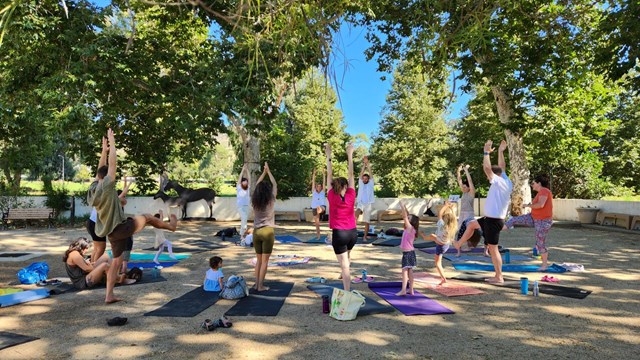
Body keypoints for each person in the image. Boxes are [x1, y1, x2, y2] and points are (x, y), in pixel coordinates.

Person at [88, 129, 177, 303]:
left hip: (111, 233)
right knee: (147, 217)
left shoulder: (93, 188)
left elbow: (102, 168)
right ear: (106, 179)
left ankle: (109, 295)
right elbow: (111, 166)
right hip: (121, 228)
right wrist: (113, 145)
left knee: (115, 262)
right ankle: (171, 226)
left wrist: (103, 152)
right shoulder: (106, 186)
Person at [455, 140, 512, 284]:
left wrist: (486, 152)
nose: (488, 178)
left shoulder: (499, 181)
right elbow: (502, 167)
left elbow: (487, 168)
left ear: (495, 175)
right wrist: (500, 151)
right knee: (471, 225)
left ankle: (499, 277)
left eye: (490, 177)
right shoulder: (505, 179)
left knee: (493, 249)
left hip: (494, 221)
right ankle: (458, 243)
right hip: (488, 219)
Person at [502, 174, 554, 270]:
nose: (532, 185)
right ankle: (500, 229)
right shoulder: (541, 192)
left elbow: (541, 205)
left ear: (539, 183)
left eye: (533, 183)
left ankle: (544, 265)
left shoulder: (544, 191)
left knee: (540, 243)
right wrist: (529, 205)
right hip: (534, 218)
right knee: (514, 219)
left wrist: (527, 205)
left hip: (543, 221)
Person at [325, 142, 357, 291]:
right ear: (346, 186)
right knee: (346, 259)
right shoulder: (351, 195)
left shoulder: (331, 195)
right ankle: (344, 276)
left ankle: (347, 292)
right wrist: (349, 154)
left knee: (345, 267)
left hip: (340, 234)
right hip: (352, 234)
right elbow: (351, 174)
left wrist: (328, 155)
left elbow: (329, 174)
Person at [251, 162, 277, 292]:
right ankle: (260, 286)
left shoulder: (254, 200)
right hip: (267, 232)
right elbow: (275, 184)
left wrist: (263, 173)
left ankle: (256, 284)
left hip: (256, 232)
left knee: (258, 261)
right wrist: (268, 172)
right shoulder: (271, 199)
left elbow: (256, 186)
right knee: (265, 262)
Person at [430, 202, 458, 285]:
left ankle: (444, 279)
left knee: (438, 263)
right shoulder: (453, 226)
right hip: (446, 244)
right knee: (433, 236)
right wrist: (451, 209)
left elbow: (439, 214)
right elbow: (454, 218)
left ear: (444, 219)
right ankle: (443, 278)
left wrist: (445, 206)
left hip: (441, 245)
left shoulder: (442, 225)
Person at [395, 201, 419, 296]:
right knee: (410, 271)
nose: (406, 219)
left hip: (408, 254)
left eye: (409, 219)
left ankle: (404, 290)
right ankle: (411, 290)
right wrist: (405, 206)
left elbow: (405, 216)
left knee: (404, 272)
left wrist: (401, 206)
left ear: (411, 221)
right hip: (410, 253)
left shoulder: (409, 228)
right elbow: (406, 215)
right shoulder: (410, 229)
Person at [355, 156, 375, 241]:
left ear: (368, 179)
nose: (364, 179)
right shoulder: (361, 183)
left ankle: (365, 236)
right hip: (361, 203)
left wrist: (368, 165)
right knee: (355, 215)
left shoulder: (371, 184)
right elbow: (361, 174)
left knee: (367, 221)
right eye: (363, 178)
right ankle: (352, 233)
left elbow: (370, 173)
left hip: (368, 204)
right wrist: (364, 164)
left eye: (366, 178)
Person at [311, 168, 327, 239]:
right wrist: (314, 174)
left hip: (322, 207)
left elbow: (324, 182)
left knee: (320, 208)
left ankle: (319, 210)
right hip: (314, 207)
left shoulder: (323, 192)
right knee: (317, 224)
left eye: (320, 186)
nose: (319, 187)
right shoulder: (314, 192)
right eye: (318, 186)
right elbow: (313, 182)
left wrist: (323, 174)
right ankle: (318, 236)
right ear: (316, 187)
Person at [237, 163, 251, 239]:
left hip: (246, 206)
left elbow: (249, 178)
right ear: (241, 182)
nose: (246, 182)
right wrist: (243, 169)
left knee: (244, 220)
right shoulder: (239, 187)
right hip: (240, 207)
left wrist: (247, 170)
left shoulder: (248, 188)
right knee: (244, 219)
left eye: (246, 181)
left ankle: (242, 235)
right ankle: (242, 234)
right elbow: (240, 178)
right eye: (244, 181)